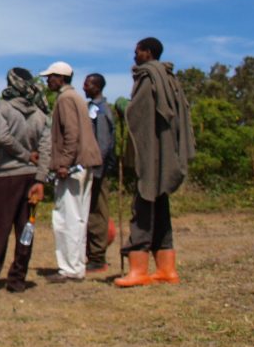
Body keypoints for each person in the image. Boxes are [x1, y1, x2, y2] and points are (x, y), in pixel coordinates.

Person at [116, 37, 196, 288]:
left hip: (151, 157)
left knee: (142, 208)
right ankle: (166, 269)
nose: (134, 56)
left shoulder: (148, 76)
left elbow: (137, 113)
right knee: (161, 209)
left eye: (137, 51)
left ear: (148, 52)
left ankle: (138, 271)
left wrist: (123, 107)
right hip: (166, 154)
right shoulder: (170, 78)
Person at [0, 68, 51, 294]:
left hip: (7, 176)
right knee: (26, 229)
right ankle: (17, 280)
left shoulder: (3, 107)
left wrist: (24, 155)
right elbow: (46, 148)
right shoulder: (41, 113)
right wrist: (40, 178)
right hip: (31, 177)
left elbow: (4, 138)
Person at [41, 61, 102, 283]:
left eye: (51, 77)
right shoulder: (75, 97)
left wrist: (64, 163)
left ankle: (69, 268)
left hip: (73, 166)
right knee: (78, 217)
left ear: (61, 77)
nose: (48, 81)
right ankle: (75, 266)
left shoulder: (65, 98)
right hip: (83, 164)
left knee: (67, 218)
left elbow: (71, 134)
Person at [83, 73, 116, 273]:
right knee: (90, 212)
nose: (84, 87)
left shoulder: (101, 111)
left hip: (97, 170)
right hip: (91, 168)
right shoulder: (91, 108)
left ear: (97, 87)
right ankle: (92, 254)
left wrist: (96, 168)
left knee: (97, 213)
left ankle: (97, 256)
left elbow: (103, 143)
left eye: (88, 84)